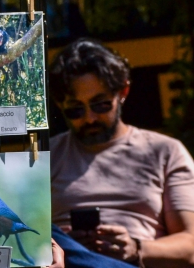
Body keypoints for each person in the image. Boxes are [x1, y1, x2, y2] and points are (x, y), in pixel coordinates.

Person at [48, 38, 194, 268]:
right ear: (59, 104)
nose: (90, 118)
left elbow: (191, 245)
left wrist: (136, 248)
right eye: (75, 109)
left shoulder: (165, 151)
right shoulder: (44, 156)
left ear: (122, 92)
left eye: (101, 105)